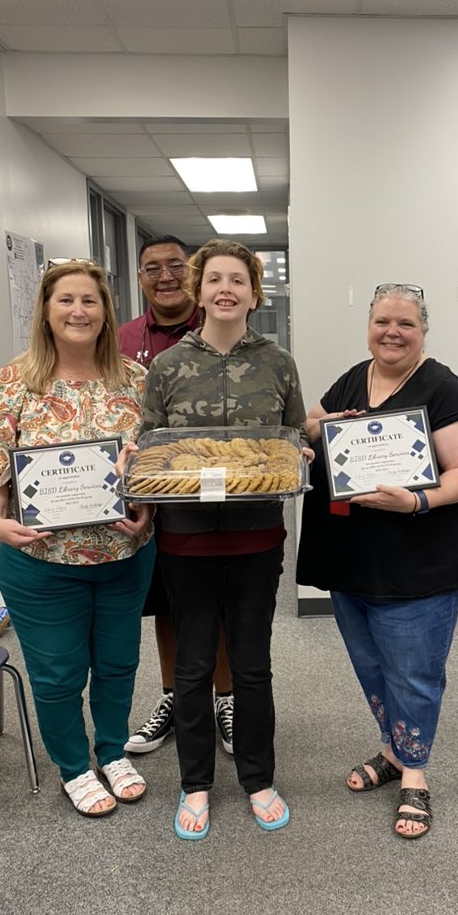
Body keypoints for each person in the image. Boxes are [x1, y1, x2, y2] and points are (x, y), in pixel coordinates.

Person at [296, 283, 458, 839]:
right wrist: (322, 431)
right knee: (373, 670)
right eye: (382, 320)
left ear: (423, 330)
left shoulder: (441, 387)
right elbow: (311, 423)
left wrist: (416, 499)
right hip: (351, 562)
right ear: (369, 325)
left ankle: (415, 773)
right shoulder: (353, 376)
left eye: (405, 323)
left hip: (417, 565)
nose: (392, 332)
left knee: (414, 674)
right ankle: (392, 750)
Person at [0, 260, 155, 817]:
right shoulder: (13, 382)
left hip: (124, 555)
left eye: (89, 301)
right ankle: (73, 766)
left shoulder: (136, 382)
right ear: (45, 309)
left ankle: (113, 751)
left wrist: (145, 512)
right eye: (65, 300)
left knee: (118, 664)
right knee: (59, 672)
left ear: (105, 310)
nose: (78, 311)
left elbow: (153, 466)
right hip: (42, 561)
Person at [136, 237, 306, 839]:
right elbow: (149, 449)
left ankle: (259, 778)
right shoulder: (165, 366)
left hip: (257, 536)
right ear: (199, 290)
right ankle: (195, 785)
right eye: (214, 280)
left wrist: (298, 454)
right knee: (193, 664)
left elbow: (291, 439)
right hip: (185, 541)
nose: (225, 289)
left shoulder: (278, 363)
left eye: (238, 279)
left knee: (253, 664)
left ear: (254, 292)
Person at [118, 235, 234, 757]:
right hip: (151, 498)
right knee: (167, 604)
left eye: (175, 267)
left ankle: (226, 697)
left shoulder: (217, 327)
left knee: (224, 603)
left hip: (218, 496)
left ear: (193, 274)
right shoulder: (120, 340)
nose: (164, 277)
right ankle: (173, 697)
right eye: (150, 269)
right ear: (139, 278)